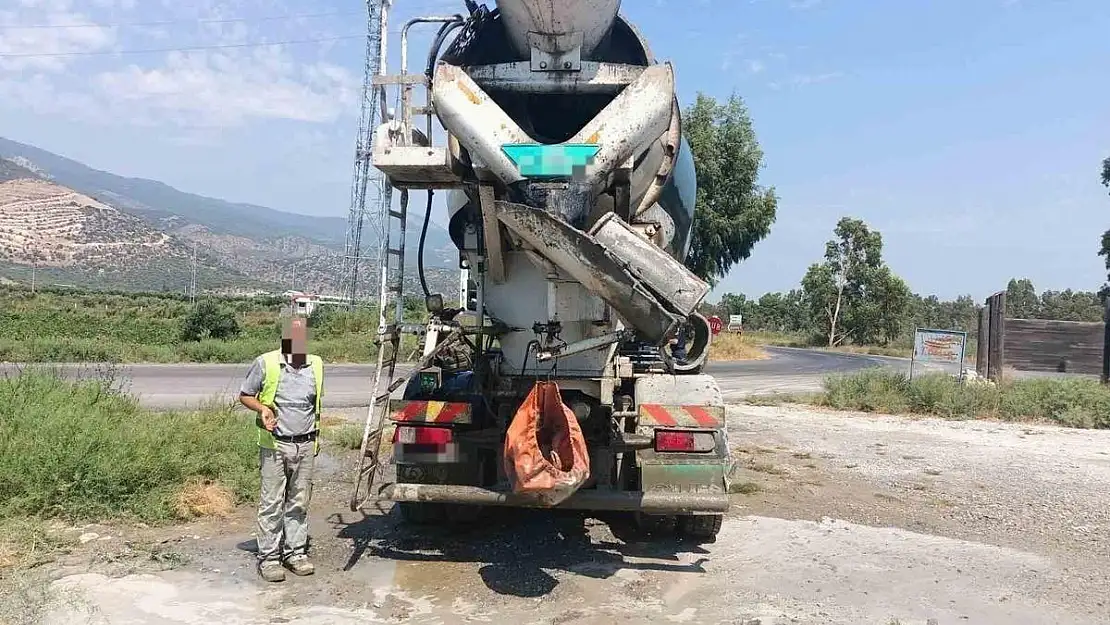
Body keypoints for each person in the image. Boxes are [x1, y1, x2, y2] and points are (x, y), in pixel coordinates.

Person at [239, 316, 324, 583]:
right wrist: (263, 409)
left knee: (299, 502)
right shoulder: (266, 363)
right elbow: (245, 394)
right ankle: (269, 558)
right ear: (284, 339)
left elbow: (316, 405)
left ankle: (295, 554)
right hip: (276, 445)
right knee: (272, 503)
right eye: (293, 338)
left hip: (306, 444)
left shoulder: (317, 365)